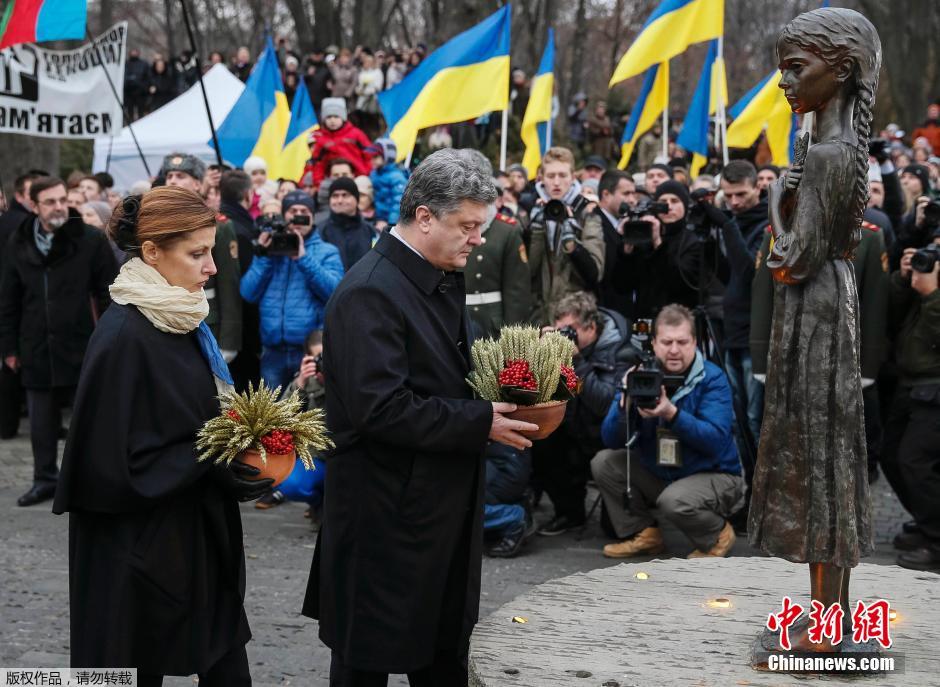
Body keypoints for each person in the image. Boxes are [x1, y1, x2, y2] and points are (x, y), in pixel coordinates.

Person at [301, 149, 537, 684]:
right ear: (425, 216)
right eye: (468, 226)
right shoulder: (369, 290)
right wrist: (481, 422)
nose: (478, 239)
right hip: (385, 518)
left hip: (428, 508)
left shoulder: (430, 272)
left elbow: (443, 370)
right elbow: (379, 408)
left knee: (439, 653)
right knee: (369, 660)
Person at [52, 186, 271, 685]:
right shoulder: (124, 336)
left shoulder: (182, 316)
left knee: (226, 663)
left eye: (211, 251)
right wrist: (216, 456)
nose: (211, 268)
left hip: (194, 535)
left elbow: (197, 420)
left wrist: (246, 451)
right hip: (137, 552)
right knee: (132, 666)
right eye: (197, 254)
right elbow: (110, 466)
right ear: (151, 252)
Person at [747, 9, 881, 652]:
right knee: (825, 453)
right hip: (830, 298)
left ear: (842, 70)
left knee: (822, 454)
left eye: (796, 68)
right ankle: (831, 612)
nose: (784, 82)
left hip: (816, 305)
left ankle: (830, 622)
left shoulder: (828, 154)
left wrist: (776, 195)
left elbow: (789, 259)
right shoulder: (835, 149)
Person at [0, 177, 118, 507]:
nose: (58, 207)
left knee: (89, 417)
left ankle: (89, 479)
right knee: (40, 421)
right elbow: (8, 299)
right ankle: (44, 478)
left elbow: (109, 293)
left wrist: (108, 340)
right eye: (49, 202)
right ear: (34, 206)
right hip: (35, 343)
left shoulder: (90, 240)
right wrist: (8, 347)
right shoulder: (17, 242)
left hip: (82, 343)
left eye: (62, 200)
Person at [593, 304, 744, 557]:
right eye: (667, 342)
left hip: (714, 474)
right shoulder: (641, 376)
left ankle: (717, 534)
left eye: (682, 342)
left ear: (695, 342)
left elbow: (716, 441)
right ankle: (646, 534)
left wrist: (671, 413)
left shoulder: (712, 378)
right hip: (665, 470)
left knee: (673, 500)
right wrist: (625, 403)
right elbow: (610, 439)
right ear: (654, 343)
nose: (674, 350)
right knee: (605, 462)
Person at [534, 291, 636, 535]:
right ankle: (569, 512)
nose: (564, 338)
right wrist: (538, 354)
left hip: (609, 435)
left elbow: (604, 404)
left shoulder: (622, 349)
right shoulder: (565, 345)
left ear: (591, 327)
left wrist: (576, 363)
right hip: (574, 425)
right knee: (541, 437)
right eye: (559, 331)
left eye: (569, 331)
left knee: (614, 531)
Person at [240, 190, 344, 390]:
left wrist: (303, 259)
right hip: (272, 351)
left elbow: (334, 293)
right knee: (272, 416)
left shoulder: (327, 251)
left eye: (303, 210)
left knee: (309, 413)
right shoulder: (271, 250)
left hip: (308, 352)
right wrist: (264, 256)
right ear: (284, 216)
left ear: (312, 217)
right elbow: (248, 292)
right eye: (292, 211)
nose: (297, 215)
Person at [699, 160, 770, 447]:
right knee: (738, 417)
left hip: (757, 333)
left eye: (741, 194)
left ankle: (764, 484)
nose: (734, 202)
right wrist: (707, 235)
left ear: (757, 187)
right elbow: (727, 275)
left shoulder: (772, 222)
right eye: (728, 196)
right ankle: (750, 480)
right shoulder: (732, 220)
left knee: (755, 417)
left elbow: (748, 271)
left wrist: (726, 224)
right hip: (732, 329)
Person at [881, 234, 940, 572]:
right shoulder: (925, 276)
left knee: (915, 461)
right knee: (892, 456)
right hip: (909, 382)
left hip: (934, 386)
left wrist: (931, 293)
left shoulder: (933, 289)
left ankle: (937, 538)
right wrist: (905, 280)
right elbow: (892, 314)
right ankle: (927, 519)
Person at [162, 153, 243, 362]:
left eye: (181, 176)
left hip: (205, 323)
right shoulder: (156, 224)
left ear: (198, 184)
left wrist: (229, 342)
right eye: (169, 176)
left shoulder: (219, 226)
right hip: (165, 320)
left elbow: (229, 285)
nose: (172, 181)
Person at [525, 146, 605, 324]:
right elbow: (526, 272)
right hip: (539, 315)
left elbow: (595, 273)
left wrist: (571, 238)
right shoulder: (531, 210)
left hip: (575, 316)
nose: (556, 182)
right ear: (541, 178)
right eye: (551, 176)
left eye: (562, 175)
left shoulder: (586, 213)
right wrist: (536, 228)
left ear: (573, 178)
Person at [456, 150, 531, 339]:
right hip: (454, 321)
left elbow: (516, 294)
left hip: (491, 325)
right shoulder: (447, 226)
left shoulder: (505, 231)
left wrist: (513, 342)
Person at [220, 170, 262, 391]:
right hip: (241, 331)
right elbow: (245, 287)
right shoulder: (240, 231)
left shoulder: (219, 224)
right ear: (248, 195)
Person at [593, 169, 637, 319]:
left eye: (633, 193)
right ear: (606, 194)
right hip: (605, 312)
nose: (632, 200)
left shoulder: (627, 224)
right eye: (626, 193)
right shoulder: (593, 223)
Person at [305, 98, 373, 186]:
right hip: (332, 181)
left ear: (343, 117)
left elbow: (369, 155)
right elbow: (318, 164)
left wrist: (367, 173)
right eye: (329, 117)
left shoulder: (356, 134)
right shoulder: (321, 139)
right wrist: (319, 183)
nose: (332, 120)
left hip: (358, 178)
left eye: (336, 117)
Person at [318, 177, 375, 270]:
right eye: (335, 196)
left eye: (345, 195)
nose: (340, 200)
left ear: (356, 199)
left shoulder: (370, 231)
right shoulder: (320, 231)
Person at [370, 137, 408, 230]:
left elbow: (398, 201)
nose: (372, 160)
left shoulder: (396, 176)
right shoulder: (374, 173)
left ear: (387, 157)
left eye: (376, 156)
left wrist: (391, 223)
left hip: (388, 221)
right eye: (371, 156)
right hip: (375, 218)